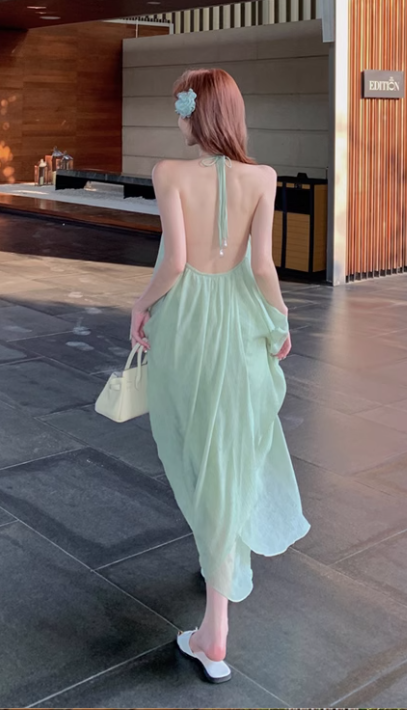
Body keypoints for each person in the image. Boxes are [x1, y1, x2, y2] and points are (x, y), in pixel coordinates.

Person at [130, 68, 311, 684]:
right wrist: (279, 320)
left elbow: (176, 262)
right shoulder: (264, 177)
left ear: (196, 113)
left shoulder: (168, 173)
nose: (177, 117)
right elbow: (262, 266)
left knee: (195, 449)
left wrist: (140, 305)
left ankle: (214, 630)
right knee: (229, 450)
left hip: (187, 326)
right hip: (238, 325)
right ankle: (218, 592)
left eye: (180, 106)